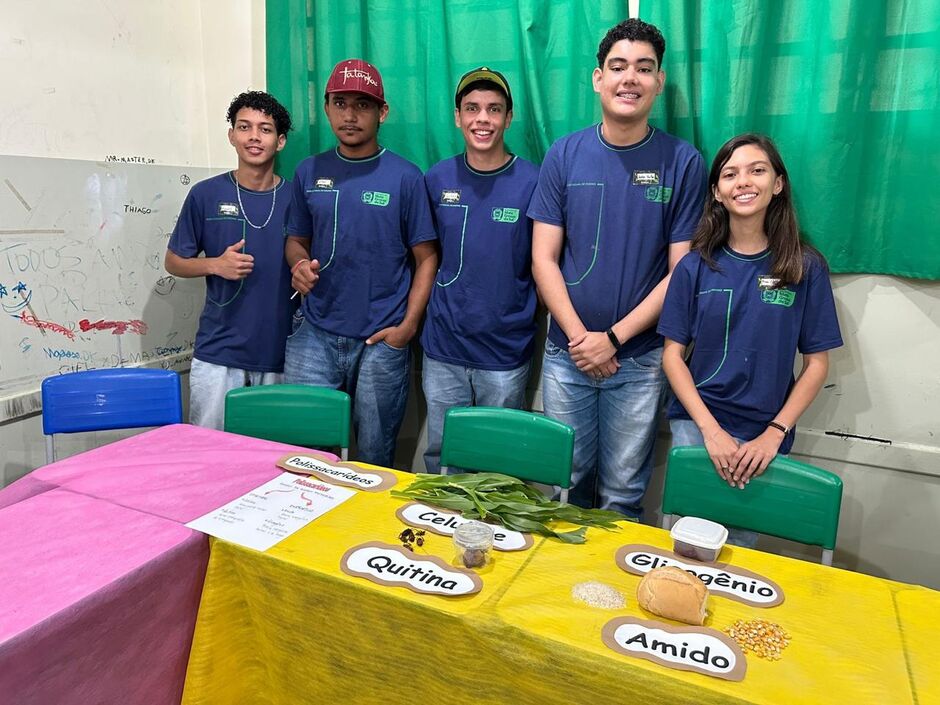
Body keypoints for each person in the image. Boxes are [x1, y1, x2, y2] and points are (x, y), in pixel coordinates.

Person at [528, 19, 706, 517]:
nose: (630, 78)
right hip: (567, 355)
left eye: (644, 69)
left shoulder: (683, 162)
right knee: (565, 486)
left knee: (624, 493)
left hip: (641, 360)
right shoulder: (565, 153)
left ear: (659, 82)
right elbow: (543, 257)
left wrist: (615, 339)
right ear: (597, 78)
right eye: (619, 66)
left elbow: (682, 270)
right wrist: (582, 338)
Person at [658, 133, 843, 544]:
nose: (743, 181)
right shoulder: (694, 266)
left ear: (778, 184)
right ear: (717, 192)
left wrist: (774, 433)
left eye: (757, 170)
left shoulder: (805, 267)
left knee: (742, 549)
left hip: (765, 435)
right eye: (730, 174)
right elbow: (673, 356)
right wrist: (710, 431)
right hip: (698, 426)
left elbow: (817, 364)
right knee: (687, 542)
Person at [284, 59, 437, 468]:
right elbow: (295, 241)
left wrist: (407, 327)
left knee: (374, 456)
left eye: (363, 105)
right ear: (326, 106)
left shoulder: (406, 177)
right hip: (313, 332)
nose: (350, 115)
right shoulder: (308, 171)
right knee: (307, 455)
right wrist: (298, 264)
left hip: (381, 340)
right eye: (341, 102)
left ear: (381, 112)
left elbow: (427, 258)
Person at [420, 67, 540, 474]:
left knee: (500, 465)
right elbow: (424, 257)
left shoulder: (532, 181)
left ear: (509, 117)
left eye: (493, 109)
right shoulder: (436, 179)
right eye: (472, 108)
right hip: (443, 349)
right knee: (443, 457)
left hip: (504, 352)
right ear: (457, 116)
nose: (482, 119)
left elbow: (544, 263)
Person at [166, 91, 294, 430]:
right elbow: (174, 261)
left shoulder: (298, 197)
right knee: (210, 454)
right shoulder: (205, 194)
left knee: (276, 456)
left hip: (281, 354)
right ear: (231, 135)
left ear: (280, 141)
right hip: (218, 352)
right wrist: (213, 265)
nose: (254, 137)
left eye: (265, 129)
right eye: (244, 127)